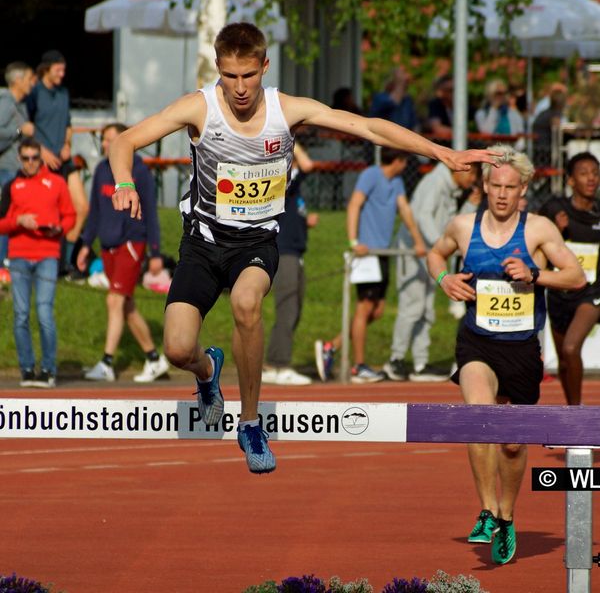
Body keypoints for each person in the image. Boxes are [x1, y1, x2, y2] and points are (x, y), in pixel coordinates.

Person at [108, 23, 499, 475]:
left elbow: (368, 126)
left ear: (264, 66)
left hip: (256, 241)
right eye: (230, 76)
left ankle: (251, 422)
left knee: (247, 302)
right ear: (218, 68)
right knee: (177, 348)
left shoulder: (286, 110)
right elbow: (125, 140)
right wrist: (123, 181)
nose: (239, 88)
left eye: (249, 75)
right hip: (203, 241)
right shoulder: (199, 108)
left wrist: (443, 153)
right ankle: (206, 373)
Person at [427, 144, 585, 565]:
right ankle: (486, 511)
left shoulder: (539, 230)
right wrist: (444, 278)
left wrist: (536, 275)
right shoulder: (463, 225)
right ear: (484, 185)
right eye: (495, 185)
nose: (501, 194)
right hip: (477, 342)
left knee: (513, 445)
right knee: (479, 418)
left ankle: (507, 514)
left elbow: (577, 276)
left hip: (521, 349)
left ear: (523, 191)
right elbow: (435, 252)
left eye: (510, 187)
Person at [315, 148, 426, 383]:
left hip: (382, 252)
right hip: (366, 253)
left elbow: (404, 209)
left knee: (376, 310)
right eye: (404, 161)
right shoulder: (370, 175)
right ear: (397, 160)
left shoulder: (396, 182)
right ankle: (359, 366)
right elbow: (354, 205)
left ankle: (331, 346)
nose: (406, 166)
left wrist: (417, 240)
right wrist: (354, 241)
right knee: (364, 308)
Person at [76, 122, 169, 383]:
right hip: (107, 246)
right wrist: (85, 244)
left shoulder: (140, 171)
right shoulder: (101, 170)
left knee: (114, 301)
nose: (106, 145)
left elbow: (150, 213)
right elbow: (94, 211)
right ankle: (154, 359)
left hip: (131, 242)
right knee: (126, 306)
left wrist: (155, 252)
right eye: (104, 140)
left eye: (111, 140)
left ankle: (106, 363)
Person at [383, 162, 479, 382]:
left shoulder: (449, 189)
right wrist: (440, 246)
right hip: (414, 252)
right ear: (460, 169)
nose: (472, 181)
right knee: (411, 307)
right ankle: (395, 360)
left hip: (430, 256)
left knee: (426, 309)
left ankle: (420, 363)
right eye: (472, 174)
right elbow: (422, 217)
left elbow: (449, 224)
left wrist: (469, 207)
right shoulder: (435, 182)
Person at [0, 137, 75, 387]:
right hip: (19, 254)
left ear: (40, 158)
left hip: (47, 255)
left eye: (35, 158)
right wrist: (18, 221)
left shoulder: (56, 183)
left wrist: (59, 229)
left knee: (44, 312)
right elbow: (1, 223)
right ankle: (27, 368)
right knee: (21, 314)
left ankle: (48, 369)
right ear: (20, 159)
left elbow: (70, 215)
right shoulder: (12, 185)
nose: (31, 163)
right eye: (26, 158)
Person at [539, 152, 600, 405]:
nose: (591, 178)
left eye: (595, 173)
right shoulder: (554, 209)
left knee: (570, 348)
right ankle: (573, 414)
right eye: (584, 173)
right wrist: (557, 232)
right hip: (559, 293)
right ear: (571, 180)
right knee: (565, 362)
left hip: (591, 291)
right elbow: (539, 244)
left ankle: (578, 417)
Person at [26, 50, 89, 276]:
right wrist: (41, 151)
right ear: (46, 69)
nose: (62, 74)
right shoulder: (34, 94)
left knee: (81, 207)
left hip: (63, 159)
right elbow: (26, 128)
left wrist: (67, 144)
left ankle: (67, 260)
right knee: (48, 211)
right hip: (42, 161)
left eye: (64, 70)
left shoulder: (63, 92)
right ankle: (46, 260)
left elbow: (68, 124)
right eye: (58, 70)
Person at [262, 143, 317, 386]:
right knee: (287, 308)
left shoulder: (295, 189)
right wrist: (289, 137)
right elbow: (308, 164)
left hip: (296, 252)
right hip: (285, 253)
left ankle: (273, 363)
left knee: (295, 309)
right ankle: (280, 364)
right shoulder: (281, 180)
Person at [0, 62, 36, 265]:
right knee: (6, 216)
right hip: (6, 168)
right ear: (17, 80)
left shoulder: (19, 104)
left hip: (15, 168)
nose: (32, 83)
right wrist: (20, 132)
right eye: (29, 79)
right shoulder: (6, 102)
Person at [426, 75, 454, 139]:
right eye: (450, 90)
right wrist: (462, 132)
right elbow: (437, 128)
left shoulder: (464, 107)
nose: (454, 93)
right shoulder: (435, 104)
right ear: (441, 92)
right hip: (440, 144)